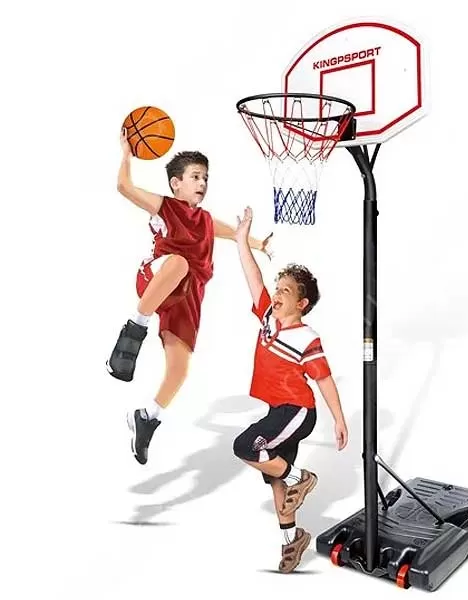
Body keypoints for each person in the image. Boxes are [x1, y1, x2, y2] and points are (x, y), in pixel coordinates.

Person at [106, 130, 272, 465]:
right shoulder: (165, 207)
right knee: (180, 263)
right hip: (157, 277)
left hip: (187, 296)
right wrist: (126, 154)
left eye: (205, 177)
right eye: (195, 176)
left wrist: (257, 243)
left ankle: (147, 418)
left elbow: (231, 233)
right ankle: (133, 331)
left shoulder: (206, 220)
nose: (202, 183)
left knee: (179, 370)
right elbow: (124, 187)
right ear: (176, 183)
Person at [232, 206, 349, 573]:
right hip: (278, 410)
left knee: (246, 446)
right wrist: (241, 240)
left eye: (285, 290)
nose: (276, 293)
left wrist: (339, 419)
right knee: (275, 478)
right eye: (277, 288)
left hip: (298, 411)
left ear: (302, 303)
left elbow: (324, 379)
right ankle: (291, 541)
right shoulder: (268, 317)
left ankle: (303, 477)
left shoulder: (306, 337)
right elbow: (253, 275)